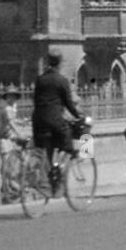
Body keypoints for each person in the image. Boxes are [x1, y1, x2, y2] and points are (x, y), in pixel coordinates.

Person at [32, 52, 83, 192]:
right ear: (60, 64)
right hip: (54, 120)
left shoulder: (40, 79)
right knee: (67, 142)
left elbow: (35, 100)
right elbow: (68, 103)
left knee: (47, 149)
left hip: (38, 120)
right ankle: (59, 169)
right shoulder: (61, 80)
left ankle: (50, 182)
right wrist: (78, 116)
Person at [0, 86, 28, 204]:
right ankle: (7, 191)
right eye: (10, 96)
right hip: (3, 140)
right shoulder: (7, 109)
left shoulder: (11, 109)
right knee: (6, 166)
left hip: (9, 139)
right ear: (6, 98)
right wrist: (20, 134)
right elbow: (11, 123)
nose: (12, 98)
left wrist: (22, 122)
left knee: (8, 166)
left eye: (14, 96)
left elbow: (13, 121)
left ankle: (6, 190)